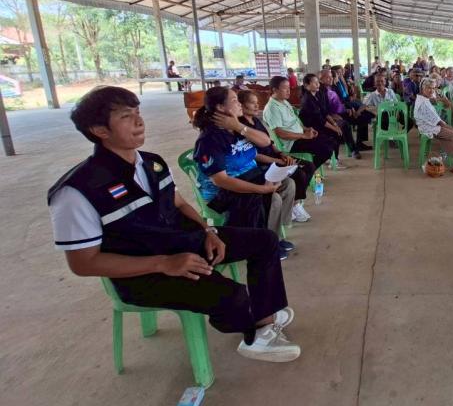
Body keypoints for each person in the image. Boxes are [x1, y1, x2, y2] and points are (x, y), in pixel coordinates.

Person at [48, 86, 300, 362]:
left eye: (138, 112)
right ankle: (253, 336)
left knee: (264, 240)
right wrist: (163, 263)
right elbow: (84, 263)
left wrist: (208, 230)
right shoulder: (77, 191)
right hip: (143, 272)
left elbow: (179, 204)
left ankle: (263, 321)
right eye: (125, 116)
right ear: (99, 130)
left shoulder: (152, 163)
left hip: (182, 243)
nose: (139, 121)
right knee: (232, 294)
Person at [192, 88, 296, 259]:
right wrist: (261, 189)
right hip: (223, 193)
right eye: (234, 100)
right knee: (273, 198)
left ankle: (273, 236)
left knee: (288, 184)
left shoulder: (236, 128)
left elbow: (265, 142)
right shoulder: (210, 139)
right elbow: (221, 181)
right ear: (220, 107)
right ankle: (265, 244)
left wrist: (238, 126)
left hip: (250, 176)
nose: (239, 104)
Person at [238, 90, 314, 224]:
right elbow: (254, 155)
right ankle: (294, 205)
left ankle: (294, 202)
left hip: (275, 157)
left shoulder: (256, 121)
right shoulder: (241, 127)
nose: (256, 106)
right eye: (252, 103)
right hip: (264, 163)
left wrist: (281, 154)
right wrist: (278, 161)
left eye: (257, 103)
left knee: (308, 166)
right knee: (298, 173)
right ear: (242, 105)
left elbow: (270, 143)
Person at [263, 76, 335, 170]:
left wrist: (306, 129)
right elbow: (280, 133)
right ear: (274, 90)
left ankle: (308, 168)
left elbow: (295, 121)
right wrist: (304, 136)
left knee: (330, 140)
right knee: (326, 149)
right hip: (291, 143)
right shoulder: (272, 108)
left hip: (299, 136)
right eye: (285, 88)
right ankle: (306, 170)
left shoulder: (284, 102)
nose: (288, 91)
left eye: (289, 88)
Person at [299, 72, 360, 161]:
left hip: (321, 122)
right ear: (306, 85)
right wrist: (334, 128)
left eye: (317, 82)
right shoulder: (308, 99)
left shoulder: (315, 95)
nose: (318, 85)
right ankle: (333, 159)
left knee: (343, 125)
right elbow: (320, 120)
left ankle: (337, 157)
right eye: (315, 83)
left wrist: (334, 123)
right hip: (313, 127)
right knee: (336, 132)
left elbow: (324, 112)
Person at [322, 68, 372, 154]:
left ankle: (360, 143)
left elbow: (339, 103)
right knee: (345, 124)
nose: (331, 79)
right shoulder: (321, 92)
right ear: (321, 79)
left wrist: (347, 109)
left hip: (342, 112)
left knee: (365, 117)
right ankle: (353, 149)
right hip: (332, 117)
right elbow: (323, 109)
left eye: (331, 77)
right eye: (328, 77)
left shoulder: (332, 87)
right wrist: (333, 115)